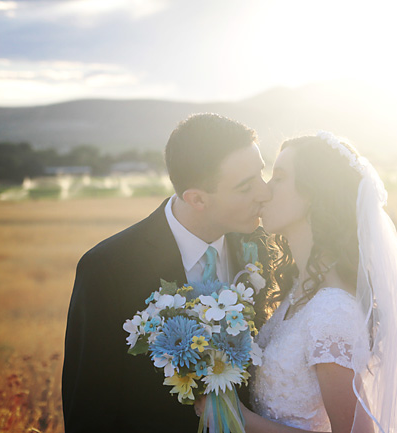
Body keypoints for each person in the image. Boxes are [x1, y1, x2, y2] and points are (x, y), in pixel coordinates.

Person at [62, 113, 272, 433]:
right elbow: (90, 412)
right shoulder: (108, 269)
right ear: (196, 198)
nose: (264, 192)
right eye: (246, 187)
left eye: (261, 173)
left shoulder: (266, 248)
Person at [237, 132, 397, 432]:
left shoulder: (331, 310)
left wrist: (243, 421)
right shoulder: (300, 291)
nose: (264, 191)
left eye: (279, 177)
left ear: (314, 193)